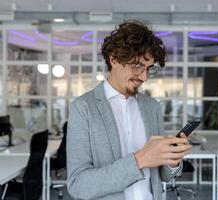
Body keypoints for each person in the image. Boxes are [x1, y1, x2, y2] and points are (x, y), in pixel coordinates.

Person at [67, 20, 192, 200]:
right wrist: (139, 160)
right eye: (138, 66)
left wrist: (172, 160)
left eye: (149, 68)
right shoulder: (84, 107)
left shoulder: (152, 107)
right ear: (114, 59)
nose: (144, 76)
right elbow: (78, 185)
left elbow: (161, 175)